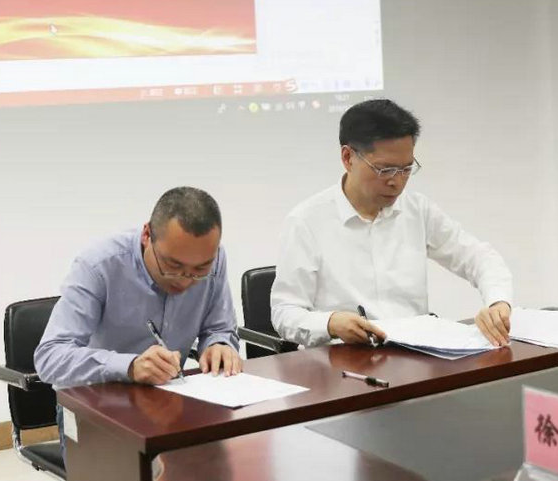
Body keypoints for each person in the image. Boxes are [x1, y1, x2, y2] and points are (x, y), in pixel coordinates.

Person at [270, 98, 513, 349]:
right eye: (384, 170)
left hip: (414, 353)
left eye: (406, 169)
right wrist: (330, 323)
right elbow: (285, 312)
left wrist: (498, 302)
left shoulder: (417, 210)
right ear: (348, 157)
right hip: (341, 360)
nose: (396, 182)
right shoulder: (307, 221)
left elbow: (479, 257)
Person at [35, 187, 242, 461]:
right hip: (97, 410)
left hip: (169, 403)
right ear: (147, 235)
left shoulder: (213, 259)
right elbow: (50, 357)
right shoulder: (98, 266)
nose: (185, 280)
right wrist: (129, 366)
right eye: (173, 266)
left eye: (200, 270)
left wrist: (219, 344)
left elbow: (219, 328)